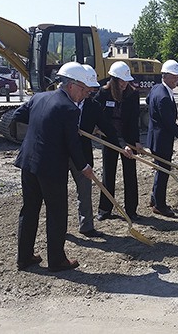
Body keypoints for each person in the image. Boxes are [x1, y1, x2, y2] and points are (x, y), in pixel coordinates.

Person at [12, 61, 98, 272]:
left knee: (30, 209)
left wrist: (42, 127)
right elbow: (72, 145)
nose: (86, 95)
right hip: (51, 168)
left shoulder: (39, 97)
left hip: (29, 163)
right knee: (57, 212)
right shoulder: (69, 108)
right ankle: (57, 260)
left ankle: (24, 258)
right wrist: (84, 167)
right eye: (85, 91)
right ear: (72, 86)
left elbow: (17, 116)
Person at [146, 59, 178, 217]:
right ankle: (159, 205)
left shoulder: (157, 89)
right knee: (163, 171)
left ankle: (154, 198)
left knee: (160, 169)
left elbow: (148, 101)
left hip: (155, 136)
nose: (177, 80)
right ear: (165, 76)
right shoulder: (164, 97)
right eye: (174, 77)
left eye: (177, 77)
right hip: (161, 139)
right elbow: (170, 125)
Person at [94, 61, 141, 222]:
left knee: (130, 173)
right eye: (121, 81)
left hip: (127, 138)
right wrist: (94, 127)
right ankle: (105, 209)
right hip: (109, 137)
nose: (124, 84)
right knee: (108, 172)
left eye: (126, 80)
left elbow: (135, 120)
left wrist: (136, 141)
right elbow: (95, 114)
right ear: (113, 80)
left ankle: (131, 210)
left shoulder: (133, 94)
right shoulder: (103, 93)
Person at [70, 65, 102, 238]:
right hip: (61, 153)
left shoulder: (93, 105)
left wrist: (124, 144)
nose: (90, 91)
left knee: (84, 190)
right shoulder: (62, 101)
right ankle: (57, 227)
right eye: (88, 88)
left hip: (82, 153)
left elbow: (107, 127)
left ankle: (86, 225)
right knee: (55, 192)